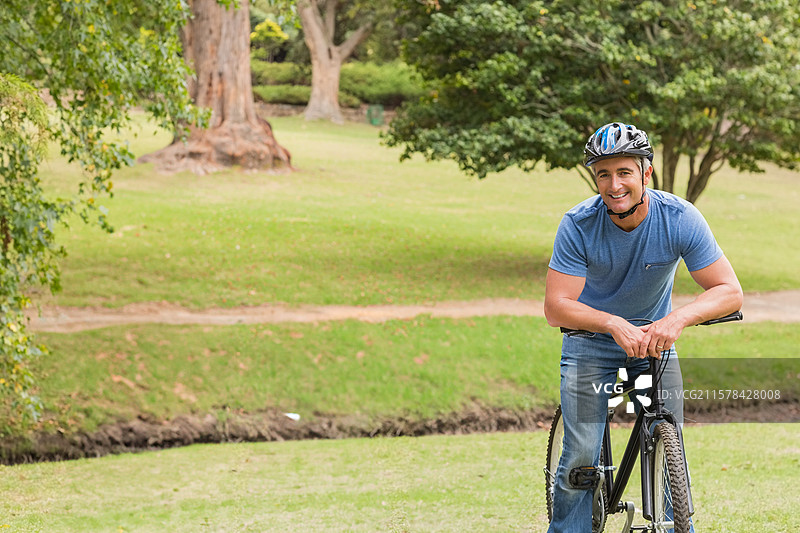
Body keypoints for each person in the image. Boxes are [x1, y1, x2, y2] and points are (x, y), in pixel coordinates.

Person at [543, 122, 743, 532]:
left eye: (624, 172)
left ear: (646, 172)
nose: (614, 185)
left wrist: (676, 319)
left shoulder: (679, 217)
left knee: (671, 438)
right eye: (603, 174)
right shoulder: (578, 224)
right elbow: (556, 307)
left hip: (654, 344)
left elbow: (729, 290)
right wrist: (612, 323)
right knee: (581, 449)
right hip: (590, 344)